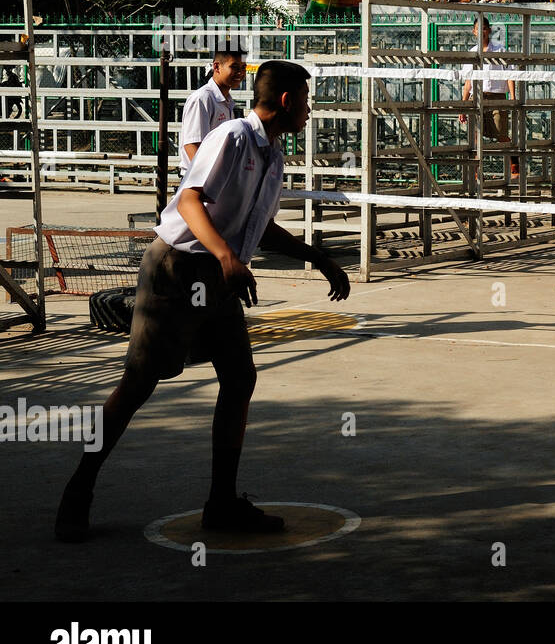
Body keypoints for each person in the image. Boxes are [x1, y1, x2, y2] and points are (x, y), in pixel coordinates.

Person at [55, 60, 350, 542]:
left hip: (218, 275)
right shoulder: (232, 137)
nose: (311, 110)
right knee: (138, 385)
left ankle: (222, 503)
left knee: (239, 378)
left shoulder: (272, 158)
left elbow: (262, 226)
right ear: (287, 100)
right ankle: (78, 490)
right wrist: (227, 257)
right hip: (176, 268)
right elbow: (190, 200)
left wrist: (318, 258)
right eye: (307, 99)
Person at [460, 15, 518, 182]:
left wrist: (512, 98)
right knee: (475, 136)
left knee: (501, 132)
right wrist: (463, 106)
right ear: (474, 32)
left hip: (497, 95)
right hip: (477, 96)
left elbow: (510, 75)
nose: (482, 32)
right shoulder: (471, 53)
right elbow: (468, 81)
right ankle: (477, 172)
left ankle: (514, 164)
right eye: (478, 29)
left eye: (484, 29)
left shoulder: (500, 50)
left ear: (489, 30)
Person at [180, 49, 245, 176]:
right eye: (234, 67)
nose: (240, 73)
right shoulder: (202, 98)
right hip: (199, 178)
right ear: (216, 67)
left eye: (243, 67)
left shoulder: (227, 101)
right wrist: (205, 177)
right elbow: (192, 145)